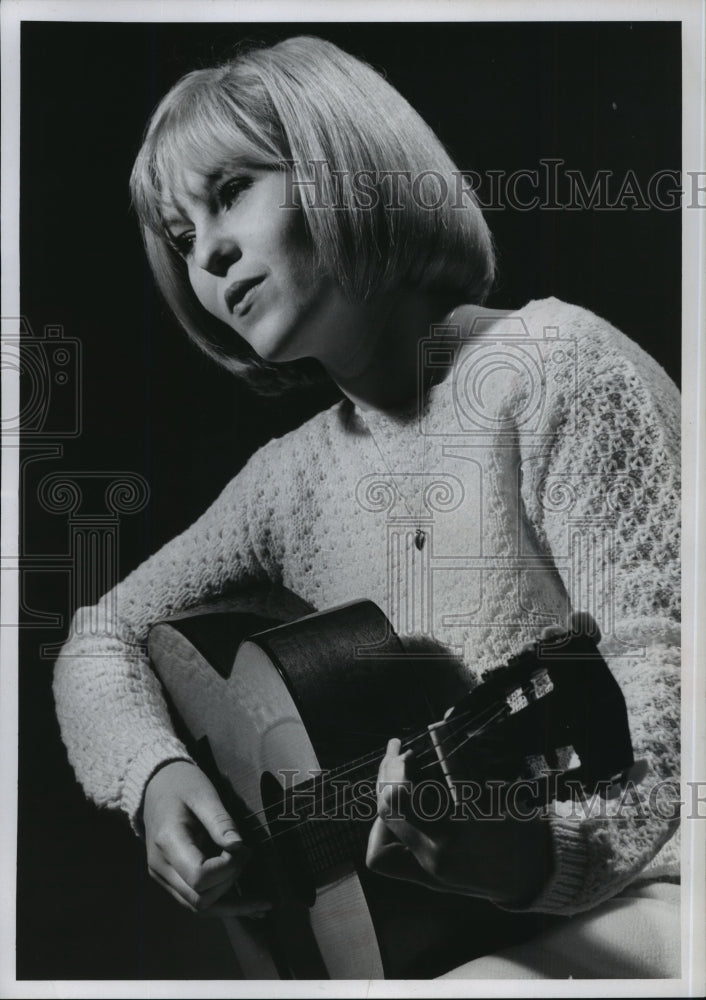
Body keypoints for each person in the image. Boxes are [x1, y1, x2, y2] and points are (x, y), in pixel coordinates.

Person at [53, 35, 681, 977]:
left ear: (345, 165)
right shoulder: (286, 484)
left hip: (661, 886)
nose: (208, 253)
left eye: (231, 191)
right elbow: (99, 637)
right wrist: (154, 774)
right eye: (181, 240)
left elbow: (669, 674)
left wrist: (542, 853)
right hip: (464, 931)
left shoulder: (553, 368)